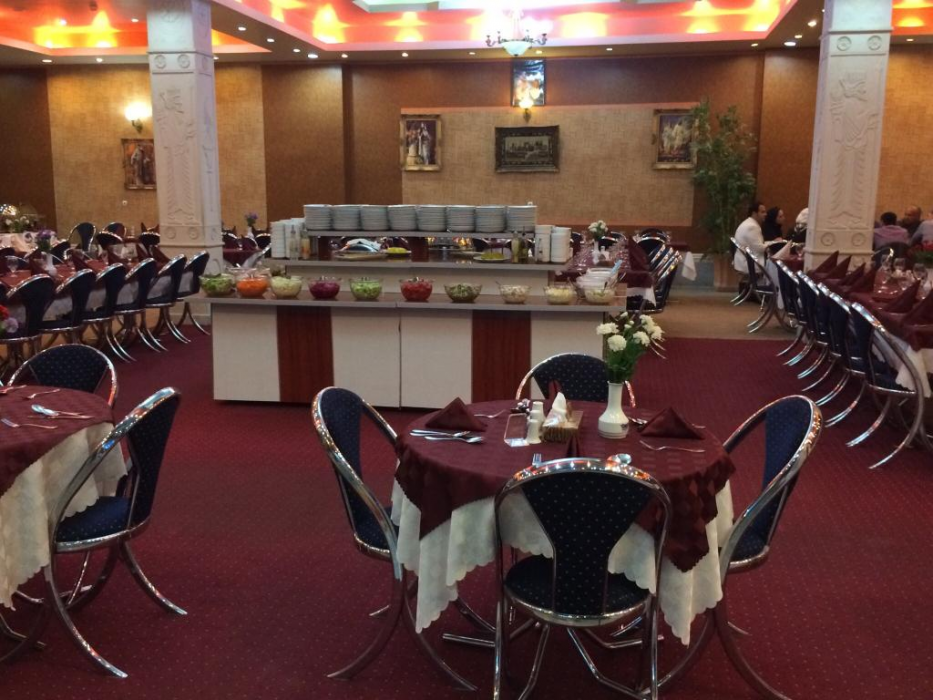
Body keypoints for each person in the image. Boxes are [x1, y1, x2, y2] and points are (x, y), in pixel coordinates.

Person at [733, 201, 768, 274]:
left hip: (742, 261)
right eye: (762, 212)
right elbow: (759, 248)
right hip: (749, 264)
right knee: (776, 266)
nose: (765, 214)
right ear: (754, 213)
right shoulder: (752, 227)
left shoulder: (748, 223)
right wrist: (773, 244)